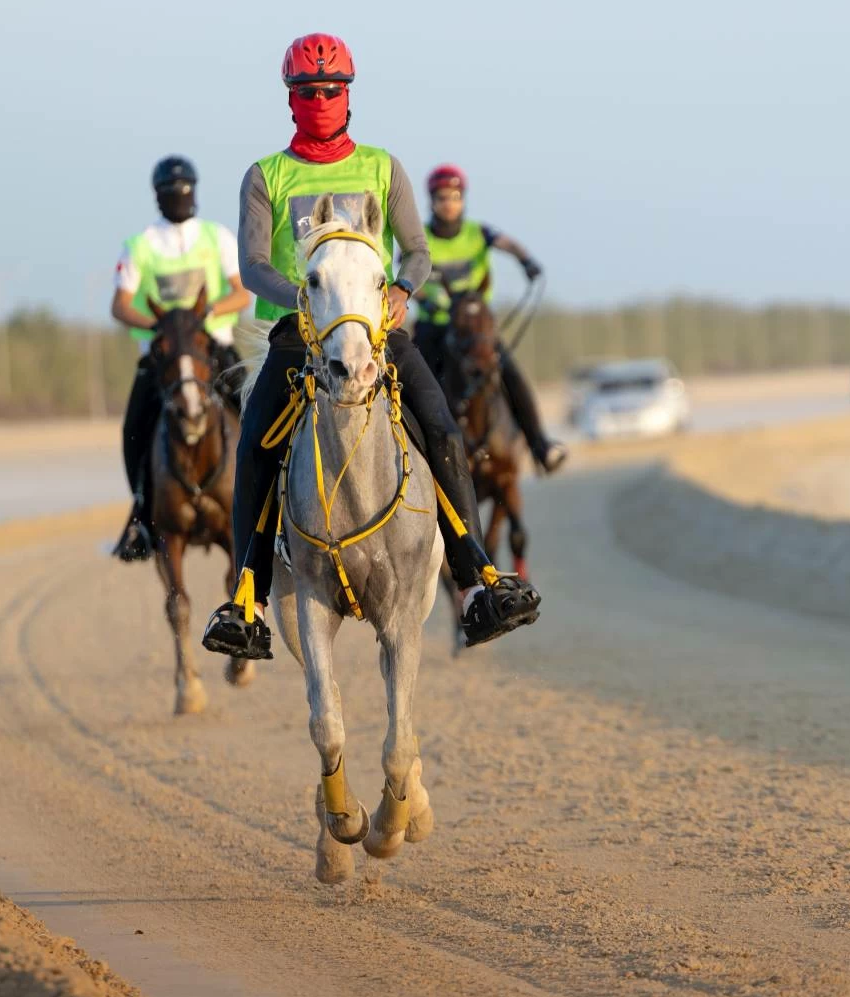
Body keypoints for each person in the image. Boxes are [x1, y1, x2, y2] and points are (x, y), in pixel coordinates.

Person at [200, 33, 541, 661]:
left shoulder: (383, 167)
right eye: (309, 91)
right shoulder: (265, 176)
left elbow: (416, 248)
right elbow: (251, 266)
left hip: (379, 336)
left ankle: (478, 578)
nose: (322, 99)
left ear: (349, 94)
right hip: (297, 337)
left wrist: (404, 288)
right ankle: (245, 597)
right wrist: (305, 297)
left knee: (440, 422)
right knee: (252, 443)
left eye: (332, 90)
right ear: (291, 98)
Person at [111, 155, 250, 562]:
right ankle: (141, 512)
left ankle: (276, 508)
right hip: (164, 360)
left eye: (185, 189)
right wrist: (161, 328)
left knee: (261, 416)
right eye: (171, 191)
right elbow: (120, 305)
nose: (179, 197)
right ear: (158, 196)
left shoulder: (217, 237)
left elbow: (242, 293)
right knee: (133, 427)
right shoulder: (139, 245)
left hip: (214, 352)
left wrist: (204, 315)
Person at [413, 164, 565, 473]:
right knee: (412, 382)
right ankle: (412, 451)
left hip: (475, 331)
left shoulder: (478, 233)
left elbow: (507, 244)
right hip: (436, 327)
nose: (449, 204)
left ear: (463, 199)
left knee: (512, 375)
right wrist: (430, 299)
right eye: (442, 197)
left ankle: (540, 444)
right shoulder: (419, 239)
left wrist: (526, 261)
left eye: (455, 197)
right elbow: (406, 278)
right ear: (432, 201)